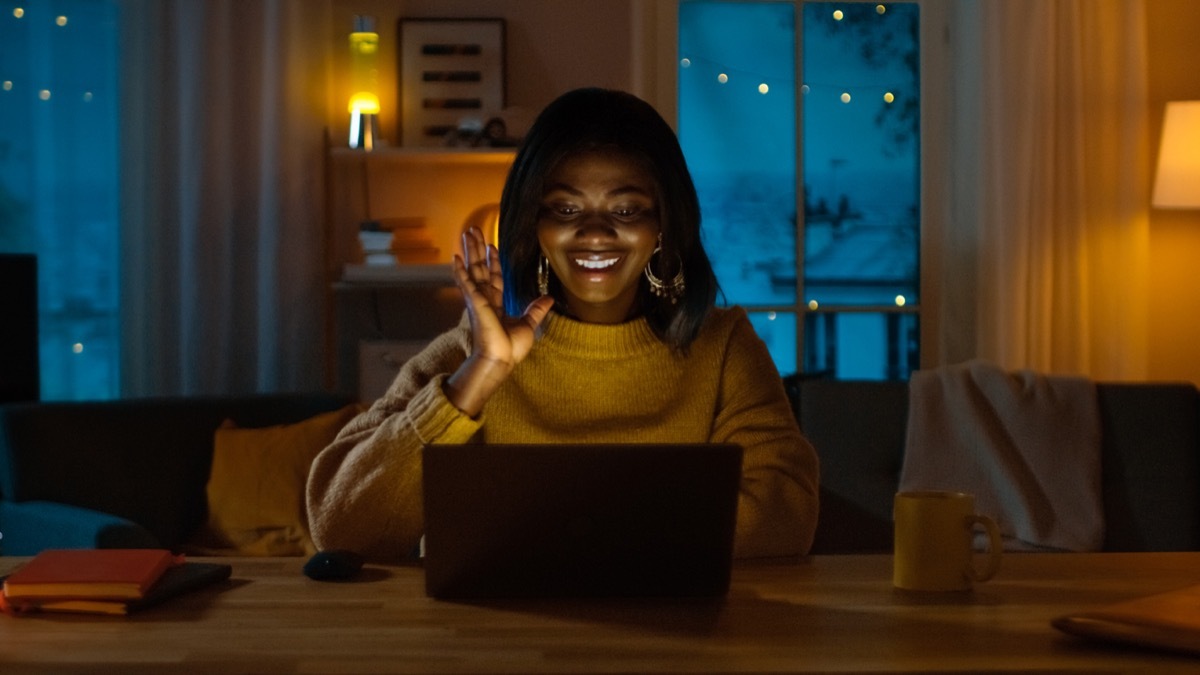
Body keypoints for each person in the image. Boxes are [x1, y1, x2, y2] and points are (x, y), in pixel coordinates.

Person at [307, 87, 819, 562]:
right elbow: (341, 525)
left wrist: (549, 530)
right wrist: (477, 378)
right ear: (535, 223)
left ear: (662, 224)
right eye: (566, 207)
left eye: (625, 208)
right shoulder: (475, 350)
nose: (594, 232)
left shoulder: (722, 346)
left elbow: (788, 514)